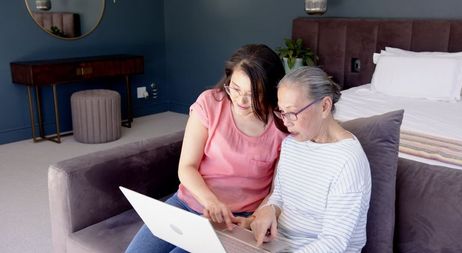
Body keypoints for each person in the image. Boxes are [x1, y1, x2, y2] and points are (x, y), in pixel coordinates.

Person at [126, 44, 288, 253]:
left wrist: (253, 220)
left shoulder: (281, 128)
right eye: (235, 89)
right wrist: (211, 202)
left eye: (253, 94)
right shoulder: (210, 103)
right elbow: (187, 167)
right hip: (187, 203)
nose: (241, 100)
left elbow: (277, 192)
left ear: (270, 91)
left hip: (236, 220)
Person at [250, 66, 372, 252]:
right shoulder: (292, 143)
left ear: (324, 106)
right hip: (276, 246)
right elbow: (281, 195)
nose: (286, 122)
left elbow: (334, 243)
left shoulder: (348, 161)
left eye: (292, 112)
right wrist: (269, 209)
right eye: (282, 112)